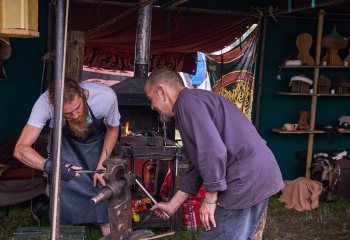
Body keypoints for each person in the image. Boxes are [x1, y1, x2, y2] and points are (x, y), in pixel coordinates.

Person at [145, 69, 284, 240]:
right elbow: (197, 165)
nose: (152, 106)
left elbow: (213, 151)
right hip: (260, 174)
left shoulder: (188, 103)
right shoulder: (191, 103)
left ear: (162, 91)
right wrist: (173, 205)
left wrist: (210, 199)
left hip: (245, 177)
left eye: (151, 99)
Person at [14, 77, 120, 236]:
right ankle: (64, 233)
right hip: (64, 145)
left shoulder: (105, 97)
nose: (76, 115)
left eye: (78, 108)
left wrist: (102, 165)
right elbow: (20, 149)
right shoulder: (44, 103)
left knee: (103, 194)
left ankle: (110, 235)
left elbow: (113, 129)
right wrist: (53, 167)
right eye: (68, 113)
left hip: (96, 146)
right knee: (63, 194)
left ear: (82, 94)